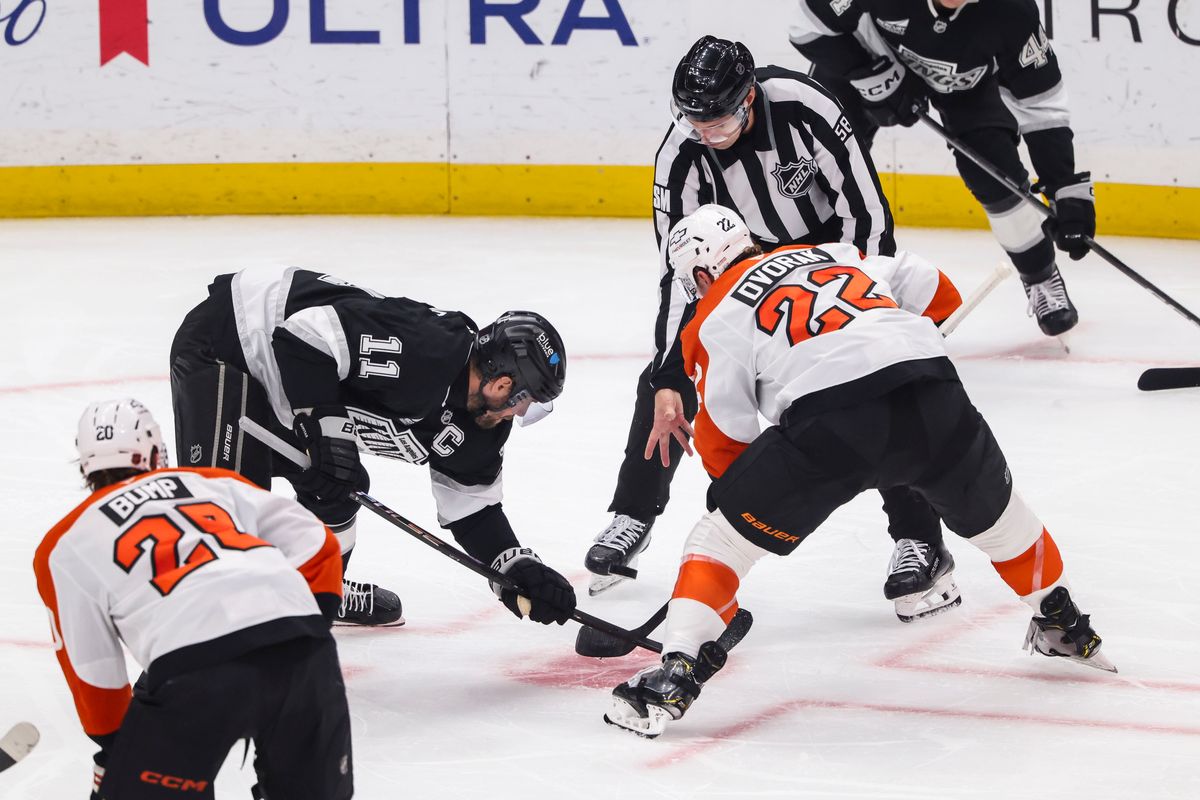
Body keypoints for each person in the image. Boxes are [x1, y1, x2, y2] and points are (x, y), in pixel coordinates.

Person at [604, 206, 1113, 738]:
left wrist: (743, 510)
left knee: (717, 544)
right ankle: (1065, 623)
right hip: (933, 390)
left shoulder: (713, 316)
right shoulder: (833, 253)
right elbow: (939, 290)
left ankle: (677, 672)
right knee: (1005, 524)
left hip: (832, 425)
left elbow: (726, 438)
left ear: (703, 273)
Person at [589, 35, 957, 623]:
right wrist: (668, 372)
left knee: (872, 382)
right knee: (664, 381)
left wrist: (870, 308)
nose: (706, 130)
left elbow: (867, 212)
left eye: (720, 118)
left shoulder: (806, 106)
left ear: (750, 98)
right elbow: (677, 275)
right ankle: (634, 511)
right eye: (694, 119)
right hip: (741, 273)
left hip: (833, 269)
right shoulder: (680, 156)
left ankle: (921, 541)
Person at [169, 265, 577, 628]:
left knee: (340, 485)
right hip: (234, 339)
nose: (517, 414)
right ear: (502, 383)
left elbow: (473, 510)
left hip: (289, 382)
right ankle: (201, 636)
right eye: (523, 402)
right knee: (226, 512)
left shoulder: (482, 429)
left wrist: (515, 567)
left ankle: (319, 593)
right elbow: (303, 336)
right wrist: (327, 430)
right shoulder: (428, 351)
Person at [34, 399, 353, 798]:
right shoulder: (212, 482)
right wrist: (302, 627)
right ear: (155, 451)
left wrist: (116, 748)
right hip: (303, 651)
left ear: (85, 466)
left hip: (195, 673)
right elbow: (317, 545)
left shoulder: (65, 544)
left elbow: (92, 666)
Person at [789, 0, 1094, 338]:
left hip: (967, 87)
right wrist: (868, 73)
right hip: (870, 57)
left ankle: (1039, 275)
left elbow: (1041, 104)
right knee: (822, 160)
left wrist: (1062, 184)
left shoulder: (1012, 11)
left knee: (996, 178)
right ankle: (806, 276)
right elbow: (806, 26)